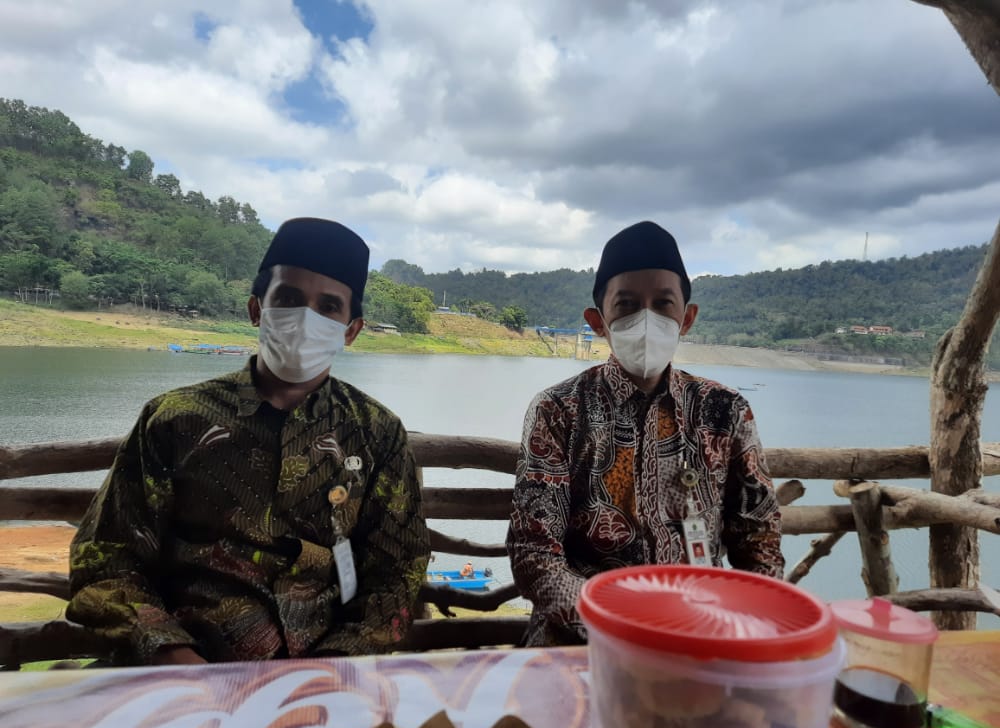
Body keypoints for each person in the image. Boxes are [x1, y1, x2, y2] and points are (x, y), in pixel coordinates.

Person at [67, 217, 431, 665]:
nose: (305, 318)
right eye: (290, 299)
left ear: (351, 330)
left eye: (329, 307)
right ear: (257, 308)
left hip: (327, 675)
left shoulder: (377, 434)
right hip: (183, 670)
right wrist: (172, 655)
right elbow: (107, 560)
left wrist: (334, 664)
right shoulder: (176, 421)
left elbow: (397, 573)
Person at [506, 220, 784, 647]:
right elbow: (535, 557)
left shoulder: (725, 412)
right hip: (583, 643)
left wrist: (743, 630)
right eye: (628, 305)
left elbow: (758, 537)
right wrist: (625, 628)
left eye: (663, 303)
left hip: (701, 639)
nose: (647, 319)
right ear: (598, 321)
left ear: (686, 318)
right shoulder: (558, 411)